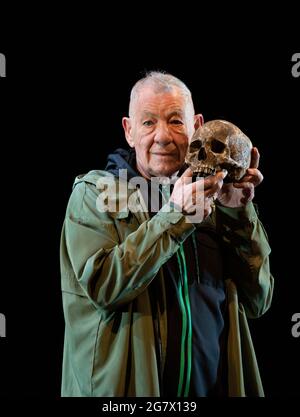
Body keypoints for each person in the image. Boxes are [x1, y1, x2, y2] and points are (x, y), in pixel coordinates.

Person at [60, 71, 274, 397]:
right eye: (148, 123)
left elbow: (259, 299)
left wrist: (239, 213)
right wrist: (177, 216)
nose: (162, 136)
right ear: (129, 131)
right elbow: (103, 286)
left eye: (175, 121)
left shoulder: (215, 200)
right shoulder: (95, 195)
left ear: (196, 125)